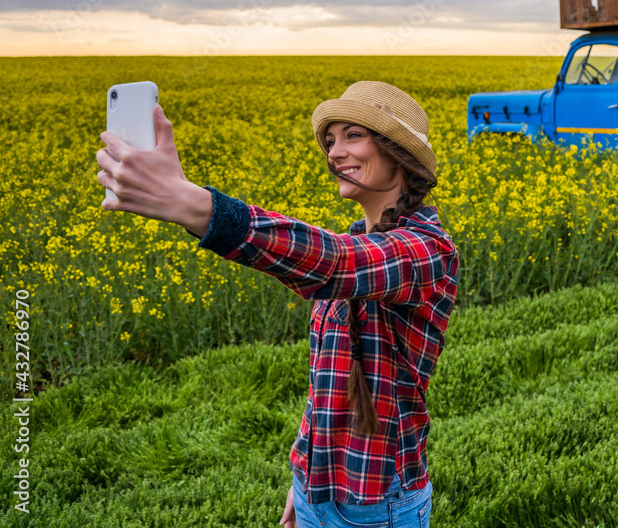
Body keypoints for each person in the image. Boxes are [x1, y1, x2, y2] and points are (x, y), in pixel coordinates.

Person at [96, 80, 458, 528]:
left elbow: (332, 263)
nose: (334, 152)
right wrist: (304, 478)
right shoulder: (356, 239)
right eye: (330, 140)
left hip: (378, 505)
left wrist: (192, 205)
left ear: (398, 151)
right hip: (317, 493)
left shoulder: (428, 251)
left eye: (353, 135)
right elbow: (326, 382)